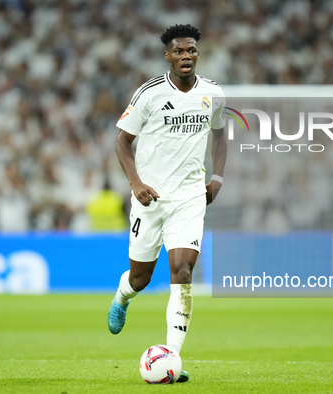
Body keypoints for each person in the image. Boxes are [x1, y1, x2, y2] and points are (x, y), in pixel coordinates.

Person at [107, 24, 227, 383]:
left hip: (190, 197)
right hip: (150, 198)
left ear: (197, 54)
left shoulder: (213, 94)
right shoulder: (149, 94)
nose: (186, 56)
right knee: (141, 278)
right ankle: (122, 295)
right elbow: (122, 142)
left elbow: (220, 136)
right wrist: (136, 183)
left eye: (191, 50)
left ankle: (172, 356)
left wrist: (216, 178)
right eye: (179, 51)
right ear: (168, 56)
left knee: (183, 272)